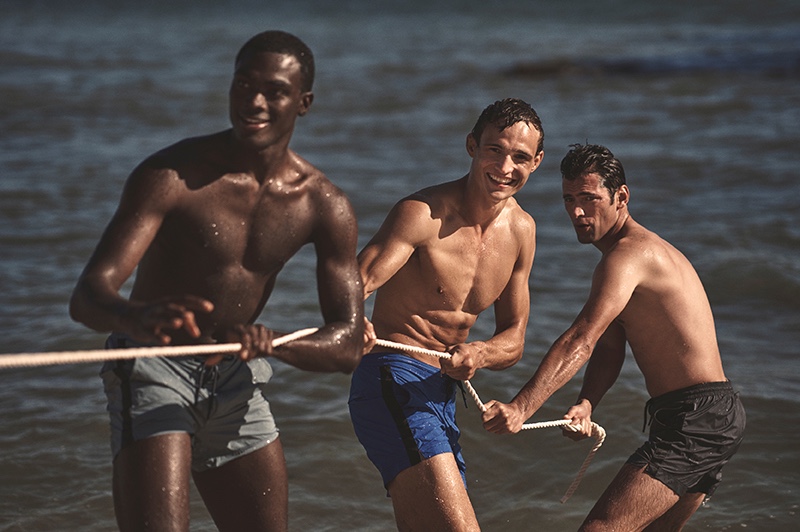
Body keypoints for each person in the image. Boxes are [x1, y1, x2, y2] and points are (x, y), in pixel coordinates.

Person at [69, 30, 364, 532]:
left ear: (304, 103)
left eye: (273, 91)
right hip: (154, 370)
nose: (253, 102)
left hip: (235, 379)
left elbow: (349, 343)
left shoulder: (323, 205)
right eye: (243, 84)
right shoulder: (171, 176)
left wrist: (270, 345)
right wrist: (136, 316)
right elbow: (89, 296)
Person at [482, 144, 745, 531]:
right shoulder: (626, 260)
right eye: (569, 199)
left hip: (697, 418)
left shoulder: (628, 256)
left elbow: (580, 339)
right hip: (706, 415)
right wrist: (587, 402)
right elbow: (607, 348)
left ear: (621, 197)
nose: (576, 212)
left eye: (589, 199)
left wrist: (522, 408)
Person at [349, 98, 545, 531]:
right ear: (472, 146)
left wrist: (480, 353)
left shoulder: (522, 231)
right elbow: (355, 282)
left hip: (442, 392)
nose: (505, 167)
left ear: (537, 162)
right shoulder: (422, 214)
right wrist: (351, 320)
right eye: (495, 149)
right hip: (391, 379)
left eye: (520, 157)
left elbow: (514, 338)